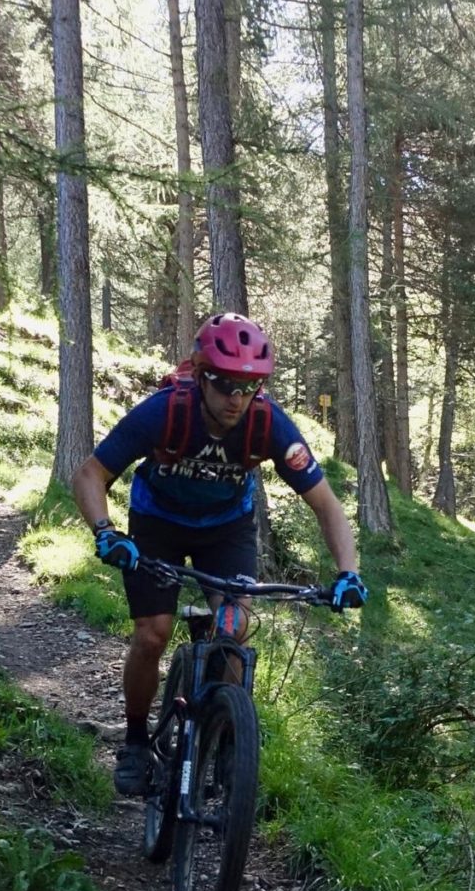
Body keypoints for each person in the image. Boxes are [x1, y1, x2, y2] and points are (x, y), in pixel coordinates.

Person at [71, 311, 366, 795]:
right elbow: (89, 474)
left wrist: (348, 573)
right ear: (201, 375)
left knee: (236, 629)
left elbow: (328, 506)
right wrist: (105, 531)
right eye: (226, 385)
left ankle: (229, 737)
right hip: (157, 524)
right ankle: (138, 741)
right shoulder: (166, 410)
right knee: (152, 635)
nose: (236, 399)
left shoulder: (269, 425)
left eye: (248, 388)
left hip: (225, 532)